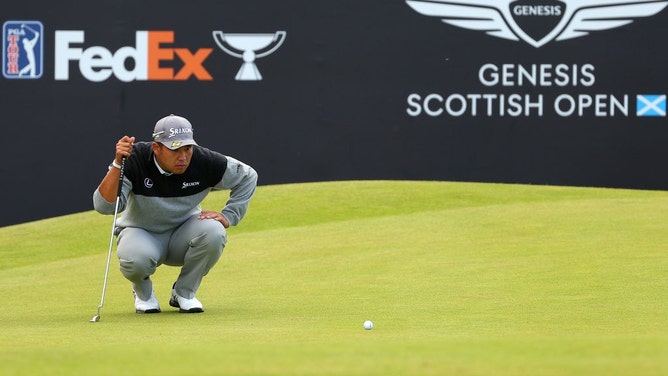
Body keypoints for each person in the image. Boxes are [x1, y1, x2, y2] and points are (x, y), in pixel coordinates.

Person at [93, 114, 257, 313]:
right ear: (157, 148)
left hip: (183, 234)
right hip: (141, 232)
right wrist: (118, 164)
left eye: (187, 149)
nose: (183, 157)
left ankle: (184, 293)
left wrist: (230, 215)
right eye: (175, 150)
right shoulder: (134, 159)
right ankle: (143, 294)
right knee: (134, 258)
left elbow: (248, 176)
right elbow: (104, 207)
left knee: (214, 231)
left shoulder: (205, 161)